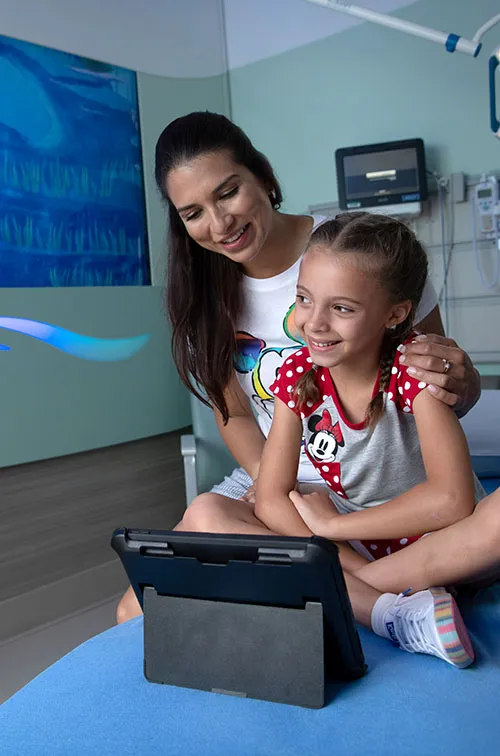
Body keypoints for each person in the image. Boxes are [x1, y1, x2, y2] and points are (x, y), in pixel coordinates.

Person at [116, 112, 495, 629]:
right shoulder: (202, 302)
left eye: (227, 192)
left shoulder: (359, 251)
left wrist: (462, 380)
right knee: (133, 609)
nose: (220, 223)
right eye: (193, 212)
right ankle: (382, 593)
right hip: (279, 475)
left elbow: (429, 375)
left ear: (263, 178)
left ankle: (355, 586)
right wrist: (277, 490)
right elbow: (239, 420)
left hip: (379, 473)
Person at [258, 212, 491, 667]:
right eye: (304, 299)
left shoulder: (414, 369)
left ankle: (341, 590)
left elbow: (452, 500)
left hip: (434, 541)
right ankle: (386, 605)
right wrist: (344, 552)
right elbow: (270, 498)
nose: (314, 324)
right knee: (208, 511)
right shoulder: (296, 374)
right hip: (353, 551)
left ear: (396, 314)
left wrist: (330, 529)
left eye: (342, 308)